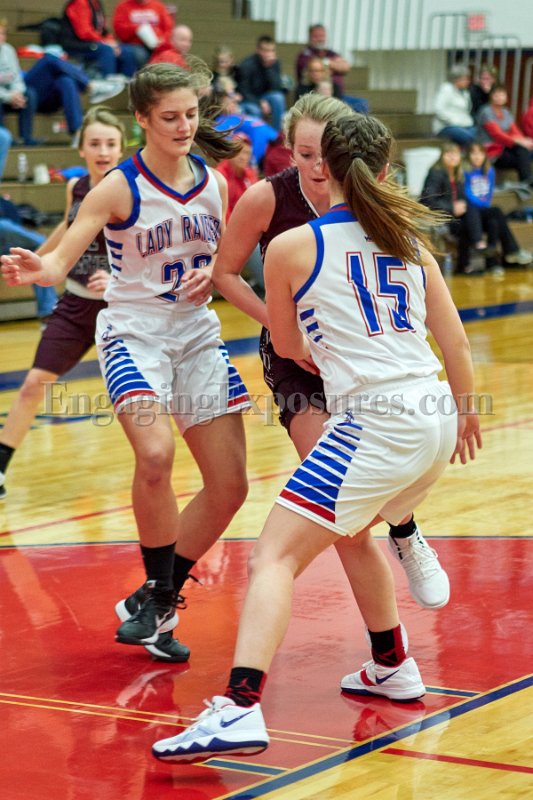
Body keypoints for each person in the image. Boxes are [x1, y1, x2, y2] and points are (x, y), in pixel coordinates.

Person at [151, 111, 482, 763]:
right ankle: (392, 658)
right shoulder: (410, 242)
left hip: (374, 422)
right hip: (437, 414)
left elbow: (288, 344)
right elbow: (457, 343)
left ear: (323, 167)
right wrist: (467, 413)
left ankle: (239, 708)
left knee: (272, 557)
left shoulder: (292, 246)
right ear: (384, 171)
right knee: (351, 527)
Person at [1, 61, 251, 662]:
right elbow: (61, 261)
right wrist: (40, 268)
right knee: (156, 454)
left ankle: (153, 598)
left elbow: (220, 260)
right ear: (142, 119)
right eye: (169, 117)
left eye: (190, 114)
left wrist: (211, 275)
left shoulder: (214, 184)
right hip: (134, 334)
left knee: (231, 485)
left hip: (196, 336)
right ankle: (162, 596)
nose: (183, 126)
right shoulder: (118, 186)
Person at [214, 93, 451, 614]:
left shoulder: (372, 198)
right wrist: (279, 323)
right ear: (288, 150)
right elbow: (224, 273)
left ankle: (405, 532)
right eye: (305, 155)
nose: (318, 166)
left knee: (353, 501)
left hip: (365, 361)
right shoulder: (267, 198)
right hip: (298, 361)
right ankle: (389, 643)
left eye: (325, 155)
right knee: (338, 504)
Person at [0, 106, 125, 502]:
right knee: (34, 384)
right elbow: (69, 226)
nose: (103, 151)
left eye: (110, 144)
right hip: (76, 304)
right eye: (95, 144)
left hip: (124, 312)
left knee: (142, 401)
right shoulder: (77, 187)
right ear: (82, 149)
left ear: (121, 149)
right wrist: (38, 258)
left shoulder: (131, 191)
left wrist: (120, 280)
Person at [463, 141, 532, 269]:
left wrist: (484, 204)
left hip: (484, 209)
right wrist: (481, 204)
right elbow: (466, 193)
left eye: (480, 154)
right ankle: (512, 250)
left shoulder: (489, 171)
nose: (477, 157)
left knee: (494, 222)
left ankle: (492, 264)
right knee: (497, 211)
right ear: (468, 156)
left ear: (485, 156)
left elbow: (489, 193)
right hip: (471, 211)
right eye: (473, 154)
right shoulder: (465, 171)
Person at [215, 133, 263, 295]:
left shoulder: (249, 174)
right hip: (230, 234)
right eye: (240, 152)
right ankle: (269, 289)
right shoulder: (220, 176)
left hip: (250, 230)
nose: (244, 157)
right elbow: (222, 217)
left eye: (247, 153)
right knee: (254, 247)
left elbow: (259, 206)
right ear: (230, 152)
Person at [420, 142, 474, 274]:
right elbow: (427, 200)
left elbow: (463, 199)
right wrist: (451, 208)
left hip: (457, 215)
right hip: (442, 217)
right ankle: (464, 265)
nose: (452, 157)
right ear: (442, 156)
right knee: (466, 225)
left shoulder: (459, 175)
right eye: (448, 153)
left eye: (455, 154)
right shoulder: (436, 173)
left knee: (493, 214)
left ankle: (494, 257)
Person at [59, 0, 137, 79]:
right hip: (76, 44)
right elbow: (84, 33)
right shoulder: (80, 3)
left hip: (94, 41)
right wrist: (105, 42)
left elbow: (102, 30)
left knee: (126, 50)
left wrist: (113, 42)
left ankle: (128, 83)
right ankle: (109, 82)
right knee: (107, 50)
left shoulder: (96, 3)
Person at [478, 84, 533, 185]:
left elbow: (515, 131)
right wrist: (519, 141)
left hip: (505, 147)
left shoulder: (506, 112)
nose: (500, 97)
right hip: (491, 150)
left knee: (523, 151)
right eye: (496, 94)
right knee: (522, 156)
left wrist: (524, 141)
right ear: (491, 96)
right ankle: (527, 183)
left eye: (502, 94)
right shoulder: (486, 112)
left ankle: (526, 183)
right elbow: (497, 135)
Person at [0, 18, 39, 145]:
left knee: (30, 94)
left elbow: (17, 77)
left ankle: (26, 138)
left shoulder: (8, 50)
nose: (1, 37)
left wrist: (17, 93)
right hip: (3, 96)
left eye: (3, 33)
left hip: (11, 95)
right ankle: (3, 140)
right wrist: (8, 97)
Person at [237, 35, 286, 132]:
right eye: (265, 50)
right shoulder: (246, 65)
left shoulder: (275, 63)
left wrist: (269, 68)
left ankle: (276, 134)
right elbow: (244, 91)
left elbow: (277, 88)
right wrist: (260, 102)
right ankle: (260, 135)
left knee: (278, 97)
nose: (269, 54)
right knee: (255, 110)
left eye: (272, 50)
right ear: (258, 50)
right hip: (249, 99)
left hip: (266, 97)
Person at [113, 0, 174, 69]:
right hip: (134, 45)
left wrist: (162, 40)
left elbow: (168, 29)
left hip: (158, 45)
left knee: (168, 56)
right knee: (141, 55)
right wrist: (136, 29)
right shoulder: (123, 6)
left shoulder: (159, 6)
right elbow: (119, 30)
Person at [295, 24, 350, 97]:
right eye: (316, 36)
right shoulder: (304, 55)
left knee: (361, 102)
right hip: (314, 93)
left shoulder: (331, 53)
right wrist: (334, 65)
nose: (320, 39)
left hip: (337, 93)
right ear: (310, 37)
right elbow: (313, 69)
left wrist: (326, 63)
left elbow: (345, 67)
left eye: (322, 36)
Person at [432, 64, 478, 146]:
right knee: (468, 138)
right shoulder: (446, 89)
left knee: (480, 135)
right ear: (456, 79)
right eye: (465, 79)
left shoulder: (465, 92)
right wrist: (453, 121)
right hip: (446, 126)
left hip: (465, 125)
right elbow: (438, 109)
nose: (468, 81)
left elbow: (466, 111)